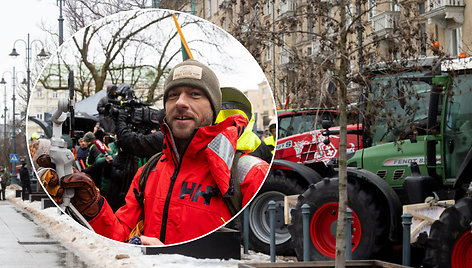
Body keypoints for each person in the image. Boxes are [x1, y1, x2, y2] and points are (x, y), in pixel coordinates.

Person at [36, 60, 269, 245]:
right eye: (173, 95)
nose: (181, 102)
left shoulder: (249, 174)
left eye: (195, 94)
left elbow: (258, 256)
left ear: (213, 107)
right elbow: (120, 235)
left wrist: (173, 259)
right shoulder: (150, 171)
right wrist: (93, 207)